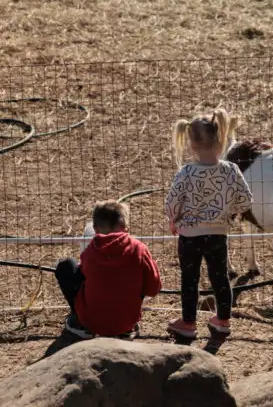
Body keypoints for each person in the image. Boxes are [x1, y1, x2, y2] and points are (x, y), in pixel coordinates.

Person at [164, 108, 252, 339]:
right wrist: (227, 212)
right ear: (220, 138)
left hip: (189, 235)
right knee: (220, 277)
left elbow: (172, 202)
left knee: (190, 279)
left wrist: (174, 220)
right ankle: (222, 320)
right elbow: (246, 201)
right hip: (218, 234)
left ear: (191, 144)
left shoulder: (186, 172)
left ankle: (188, 322)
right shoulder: (230, 171)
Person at [55, 200, 161, 339]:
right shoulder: (139, 249)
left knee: (66, 265)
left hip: (92, 322)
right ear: (125, 226)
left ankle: (81, 324)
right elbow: (153, 289)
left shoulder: (90, 252)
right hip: (126, 322)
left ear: (95, 228)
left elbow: (86, 278)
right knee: (138, 273)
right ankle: (126, 328)